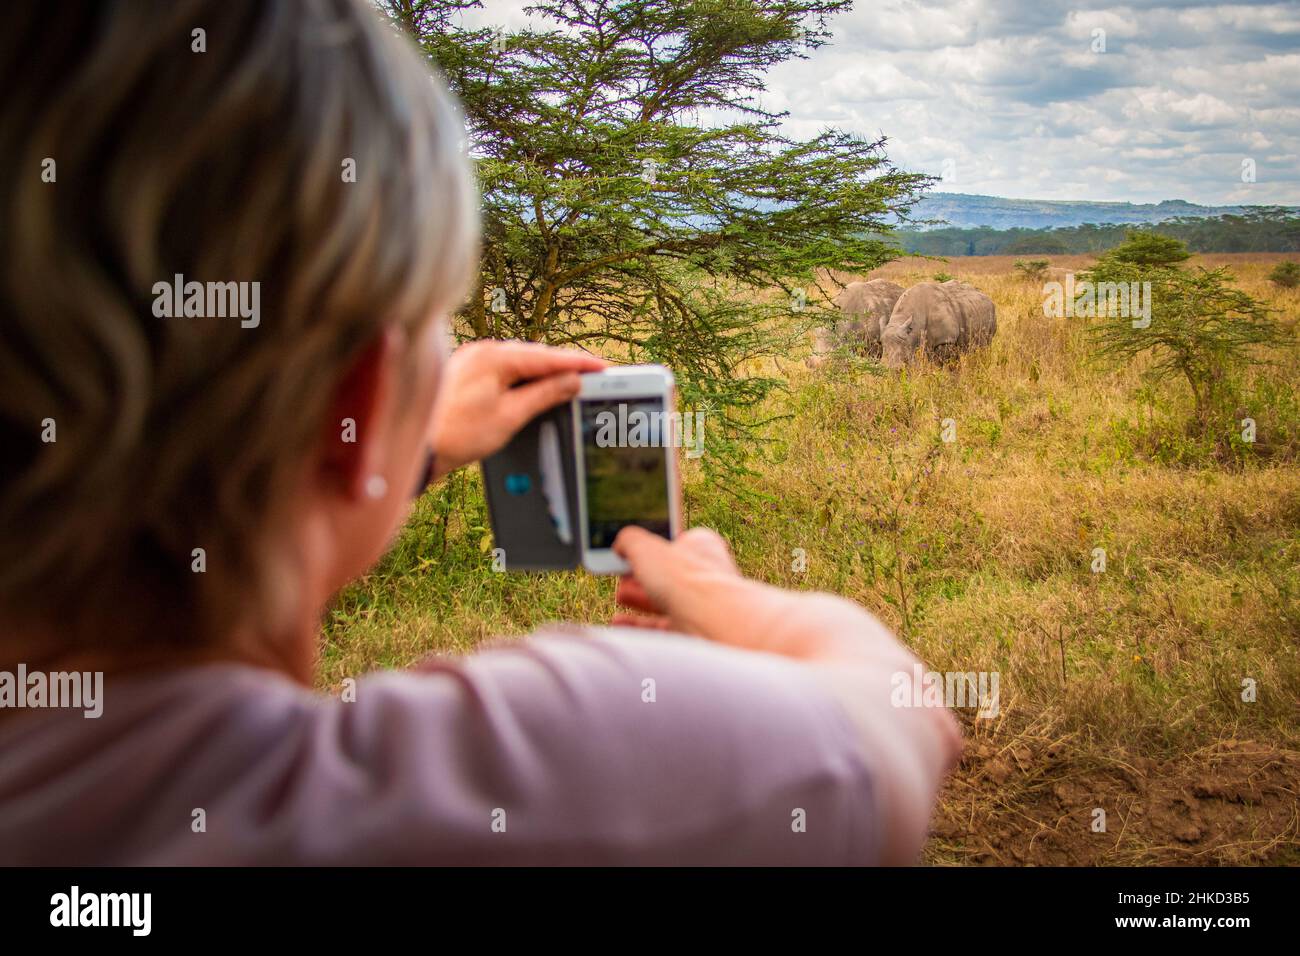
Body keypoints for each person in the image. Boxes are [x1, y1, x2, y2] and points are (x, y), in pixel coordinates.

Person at [0, 0, 959, 865]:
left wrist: (399, 447)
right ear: (361, 394)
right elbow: (898, 711)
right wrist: (715, 592)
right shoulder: (483, 785)